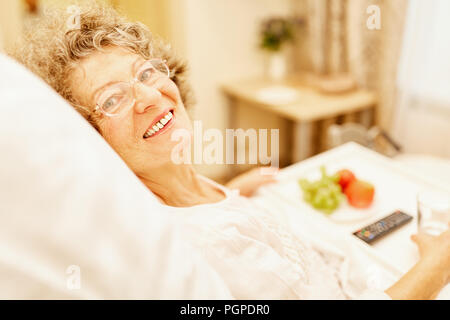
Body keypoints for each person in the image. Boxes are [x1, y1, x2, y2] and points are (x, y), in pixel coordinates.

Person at [11, 2, 450, 299]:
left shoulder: (175, 183)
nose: (147, 96)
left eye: (145, 73)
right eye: (112, 100)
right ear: (91, 141)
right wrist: (436, 268)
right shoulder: (199, 249)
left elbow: (199, 211)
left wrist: (234, 190)